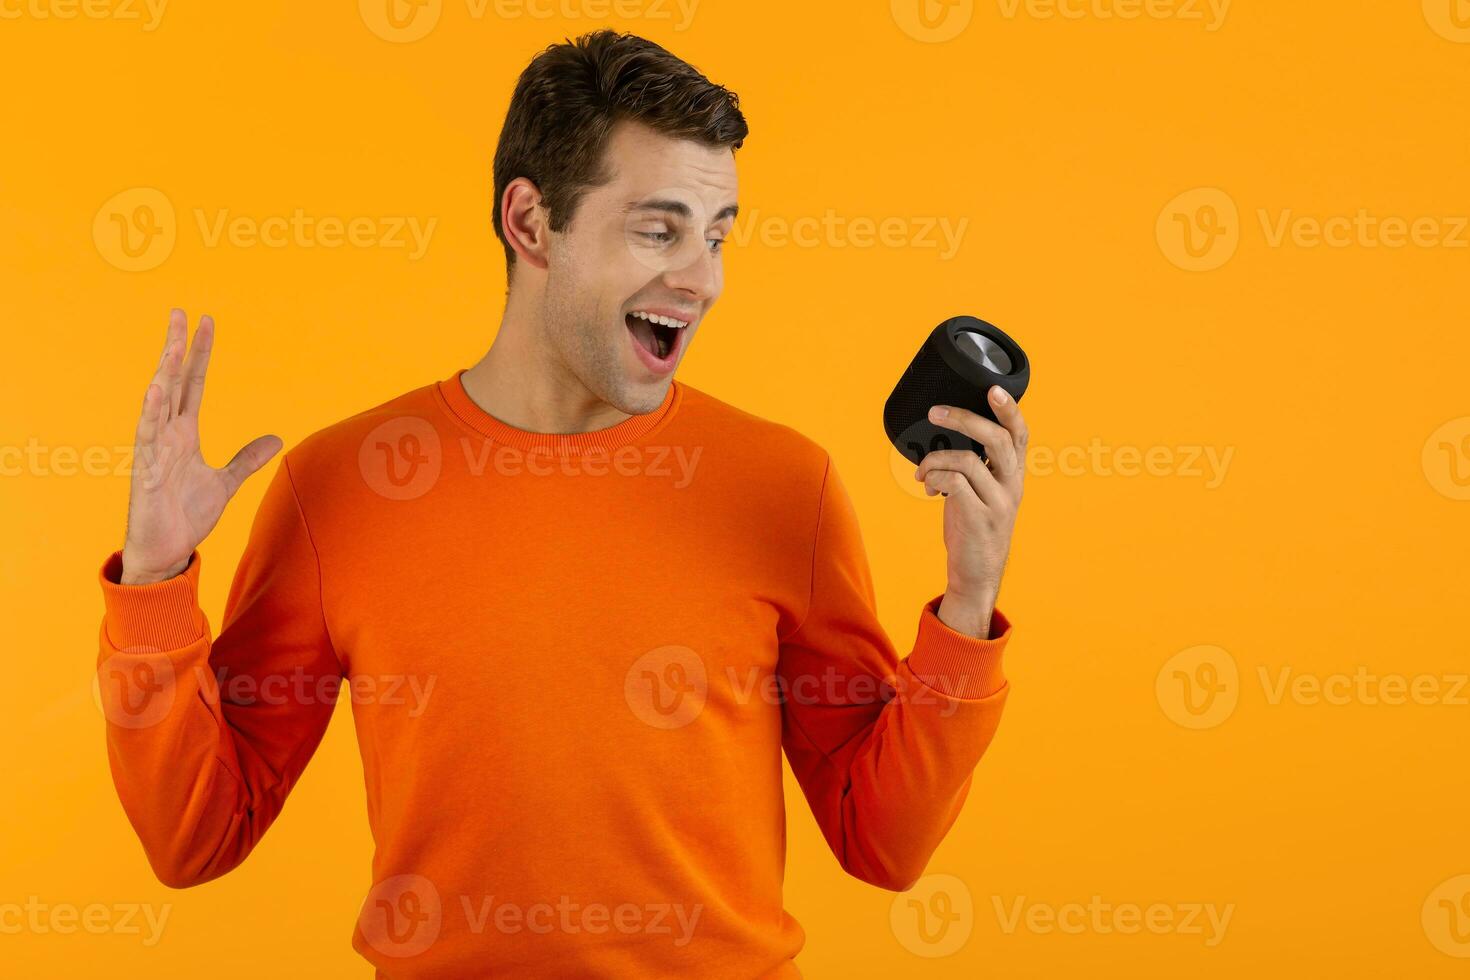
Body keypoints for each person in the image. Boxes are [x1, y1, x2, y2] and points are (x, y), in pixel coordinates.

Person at [96, 29, 1029, 979]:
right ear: (532, 223)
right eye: (658, 230)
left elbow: (884, 844)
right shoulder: (339, 486)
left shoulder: (787, 488)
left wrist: (967, 601)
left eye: (717, 236)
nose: (702, 280)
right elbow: (195, 837)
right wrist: (154, 582)